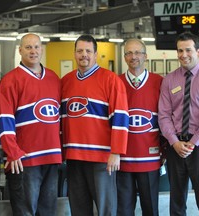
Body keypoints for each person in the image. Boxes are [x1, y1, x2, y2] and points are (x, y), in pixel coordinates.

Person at [61, 34, 129, 216]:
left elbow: (121, 118)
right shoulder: (65, 81)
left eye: (88, 51)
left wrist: (116, 152)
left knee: (106, 209)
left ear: (96, 54)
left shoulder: (111, 80)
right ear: (74, 54)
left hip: (102, 159)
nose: (84, 55)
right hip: (74, 157)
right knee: (79, 209)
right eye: (80, 51)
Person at [0, 33, 62, 216]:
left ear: (42, 49)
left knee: (48, 211)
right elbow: (4, 119)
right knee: (26, 211)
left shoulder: (54, 78)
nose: (33, 51)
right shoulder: (10, 81)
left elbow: (59, 117)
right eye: (28, 47)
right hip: (25, 159)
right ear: (20, 50)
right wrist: (13, 152)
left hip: (51, 156)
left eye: (36, 47)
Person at [117, 38, 163, 216]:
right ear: (124, 57)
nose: (133, 56)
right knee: (124, 209)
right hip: (123, 159)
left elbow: (166, 117)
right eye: (129, 53)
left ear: (145, 56)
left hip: (150, 158)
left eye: (137, 52)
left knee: (150, 208)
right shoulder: (115, 82)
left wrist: (163, 151)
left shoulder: (159, 82)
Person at [159, 32, 199, 215]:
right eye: (180, 50)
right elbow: (164, 115)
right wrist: (174, 142)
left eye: (188, 50)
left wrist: (193, 143)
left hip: (198, 146)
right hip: (175, 146)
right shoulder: (169, 79)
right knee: (176, 199)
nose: (184, 54)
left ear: (197, 51)